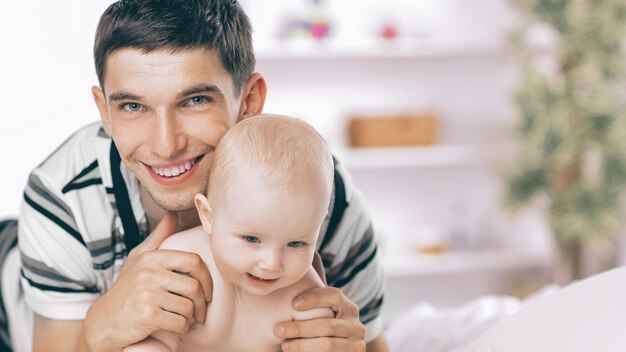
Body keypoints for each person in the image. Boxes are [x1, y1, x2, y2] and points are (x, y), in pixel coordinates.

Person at [1, 1, 388, 351]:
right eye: (133, 106)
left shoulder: (319, 194)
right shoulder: (62, 197)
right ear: (104, 111)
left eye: (196, 101)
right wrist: (99, 329)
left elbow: (374, 342)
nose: (166, 145)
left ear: (249, 100)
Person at [126, 114, 337, 352]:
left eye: (297, 243)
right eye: (251, 239)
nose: (272, 264)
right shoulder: (181, 263)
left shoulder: (305, 297)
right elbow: (150, 342)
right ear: (208, 216)